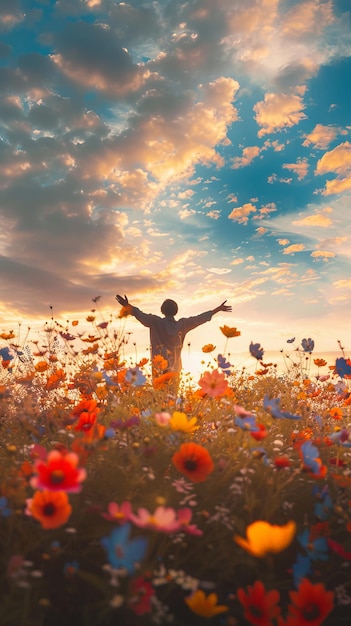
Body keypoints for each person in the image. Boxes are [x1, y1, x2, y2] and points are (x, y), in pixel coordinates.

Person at [115, 294, 232, 383]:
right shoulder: (183, 325)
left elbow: (139, 314)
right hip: (175, 370)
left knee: (160, 402)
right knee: (172, 402)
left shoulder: (155, 322)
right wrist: (218, 309)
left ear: (162, 310)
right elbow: (199, 318)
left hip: (159, 370)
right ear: (176, 311)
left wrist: (127, 306)